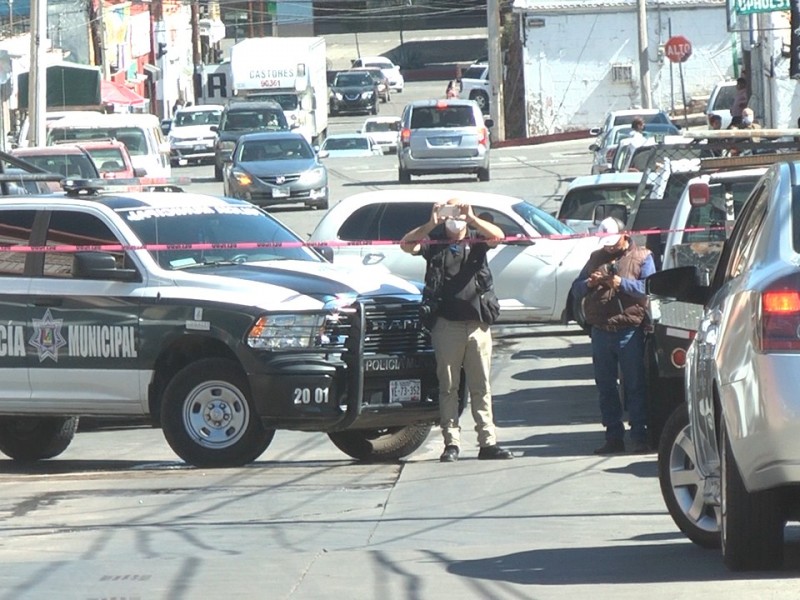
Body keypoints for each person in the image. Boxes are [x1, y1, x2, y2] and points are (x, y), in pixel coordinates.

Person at [400, 198, 513, 462]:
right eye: (450, 212)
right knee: (448, 387)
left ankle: (488, 442)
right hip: (446, 325)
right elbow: (406, 245)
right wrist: (432, 222)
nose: (455, 217)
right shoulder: (435, 242)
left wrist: (471, 218)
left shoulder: (477, 239)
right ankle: (451, 443)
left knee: (481, 386)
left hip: (477, 325)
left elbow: (498, 237)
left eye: (458, 212)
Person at [570, 217, 656, 455]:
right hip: (601, 331)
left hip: (629, 331)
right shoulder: (595, 258)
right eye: (605, 243)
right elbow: (576, 290)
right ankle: (613, 437)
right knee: (605, 386)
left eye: (612, 242)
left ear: (624, 235)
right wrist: (590, 283)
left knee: (635, 385)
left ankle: (639, 435)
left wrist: (621, 284)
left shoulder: (643, 257)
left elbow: (649, 289)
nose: (608, 247)